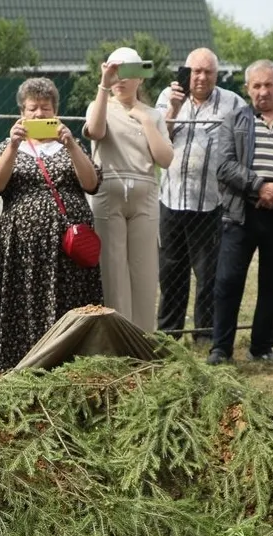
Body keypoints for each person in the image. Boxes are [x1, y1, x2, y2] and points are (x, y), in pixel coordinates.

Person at [0, 78, 103, 373]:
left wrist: (71, 144)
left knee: (69, 304)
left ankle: (69, 365)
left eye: (45, 108)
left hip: (69, 251)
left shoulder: (72, 145)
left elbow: (92, 183)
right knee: (21, 304)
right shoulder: (9, 145)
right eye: (32, 108)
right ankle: (19, 366)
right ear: (22, 112)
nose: (38, 114)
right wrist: (13, 145)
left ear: (55, 112)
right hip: (21, 248)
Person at [210, 59, 273, 364]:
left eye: (268, 84)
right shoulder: (234, 121)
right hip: (241, 214)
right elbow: (224, 166)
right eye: (256, 85)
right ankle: (220, 348)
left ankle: (262, 346)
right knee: (228, 282)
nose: (262, 91)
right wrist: (259, 186)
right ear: (247, 89)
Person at [158, 48, 244, 346]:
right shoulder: (167, 98)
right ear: (187, 72)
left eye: (208, 71)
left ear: (216, 75)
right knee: (171, 274)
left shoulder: (233, 103)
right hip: (171, 200)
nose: (201, 77)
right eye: (196, 71)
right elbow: (158, 141)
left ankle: (205, 336)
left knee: (208, 277)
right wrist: (172, 108)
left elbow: (244, 142)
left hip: (210, 204)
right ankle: (168, 335)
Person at [85, 47, 174, 333]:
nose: (121, 80)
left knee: (145, 273)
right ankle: (116, 343)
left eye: (129, 74)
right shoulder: (100, 106)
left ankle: (143, 343)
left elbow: (165, 158)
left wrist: (146, 120)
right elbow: (96, 131)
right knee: (113, 275)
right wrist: (103, 85)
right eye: (116, 73)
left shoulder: (153, 115)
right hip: (108, 192)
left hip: (144, 194)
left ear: (141, 79)